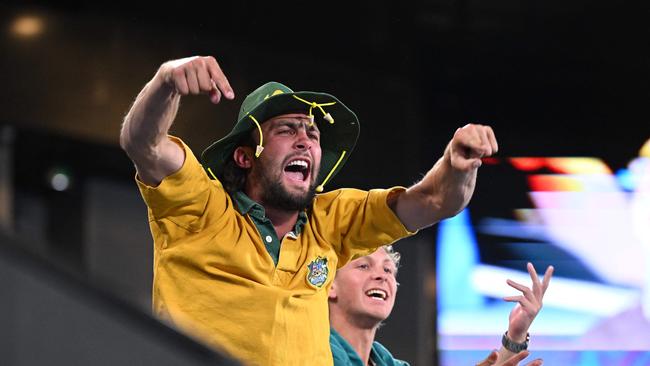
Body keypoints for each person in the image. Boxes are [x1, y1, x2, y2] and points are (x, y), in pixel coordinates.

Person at [119, 55, 498, 366]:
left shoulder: (331, 221)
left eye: (313, 133)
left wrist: (458, 164)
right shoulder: (201, 208)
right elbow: (143, 143)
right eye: (286, 130)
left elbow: (435, 201)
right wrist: (166, 81)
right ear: (244, 156)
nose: (305, 140)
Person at [328, 246, 553, 366]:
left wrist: (516, 334)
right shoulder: (312, 353)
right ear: (329, 285)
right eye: (364, 266)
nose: (381, 276)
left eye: (388, 270)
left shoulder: (388, 363)